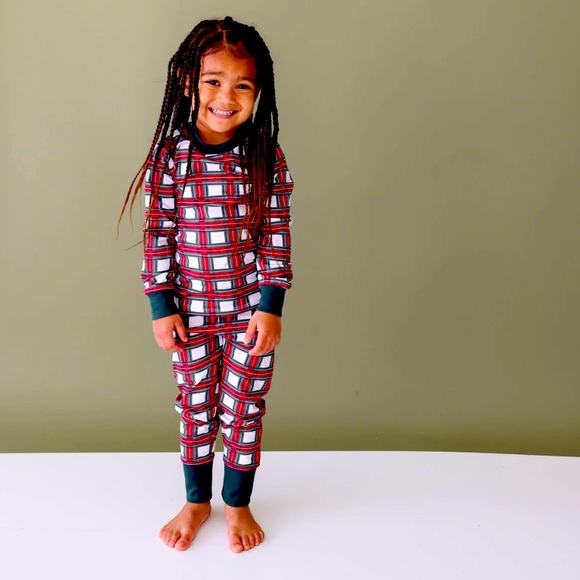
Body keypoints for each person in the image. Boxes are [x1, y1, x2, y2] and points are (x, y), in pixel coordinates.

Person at [118, 16, 293, 553]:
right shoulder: (170, 157)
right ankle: (197, 501)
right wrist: (161, 305)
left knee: (244, 408)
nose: (226, 96)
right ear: (187, 83)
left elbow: (276, 236)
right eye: (213, 81)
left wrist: (271, 305)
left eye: (242, 85)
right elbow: (159, 235)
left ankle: (237, 503)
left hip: (248, 316)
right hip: (190, 314)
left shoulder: (265, 157)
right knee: (196, 406)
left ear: (258, 93)